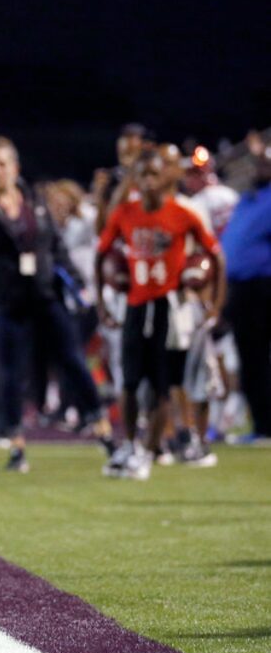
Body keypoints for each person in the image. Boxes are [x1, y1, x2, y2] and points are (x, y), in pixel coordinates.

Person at [0, 137, 112, 472]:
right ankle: (16, 445)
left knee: (73, 360)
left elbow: (54, 245)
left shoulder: (34, 198)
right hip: (6, 298)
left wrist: (77, 282)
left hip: (44, 293)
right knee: (10, 374)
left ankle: (105, 432)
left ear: (15, 167)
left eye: (1, 163)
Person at [96, 150, 225, 478]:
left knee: (164, 383)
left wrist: (215, 303)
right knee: (128, 381)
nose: (148, 182)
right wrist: (101, 304)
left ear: (165, 177)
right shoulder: (125, 212)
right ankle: (128, 445)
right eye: (142, 176)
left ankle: (152, 451)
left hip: (170, 306)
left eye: (154, 175)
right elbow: (102, 256)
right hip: (136, 305)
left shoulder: (183, 213)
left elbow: (215, 256)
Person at [220, 133, 271, 442]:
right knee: (250, 359)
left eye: (265, 164)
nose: (259, 168)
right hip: (242, 289)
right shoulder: (247, 199)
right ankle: (264, 427)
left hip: (266, 285)